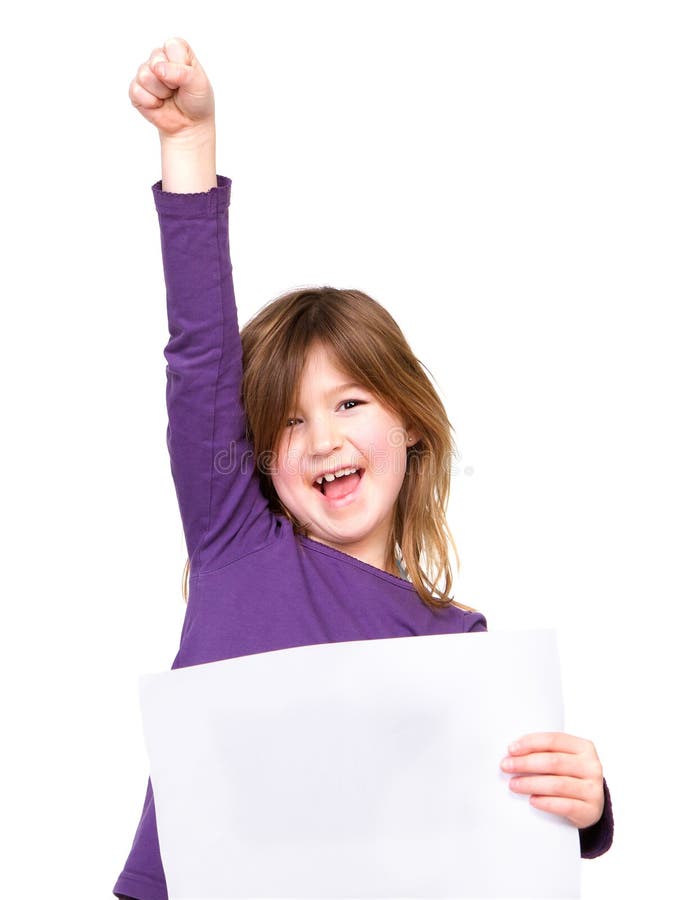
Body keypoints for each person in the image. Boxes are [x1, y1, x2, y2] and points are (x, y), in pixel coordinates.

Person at [114, 36, 614, 900]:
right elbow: (199, 359)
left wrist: (589, 809)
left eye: (349, 405)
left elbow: (475, 849)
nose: (321, 440)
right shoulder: (238, 548)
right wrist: (188, 149)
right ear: (257, 459)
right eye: (288, 421)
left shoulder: (459, 648)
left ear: (411, 423)